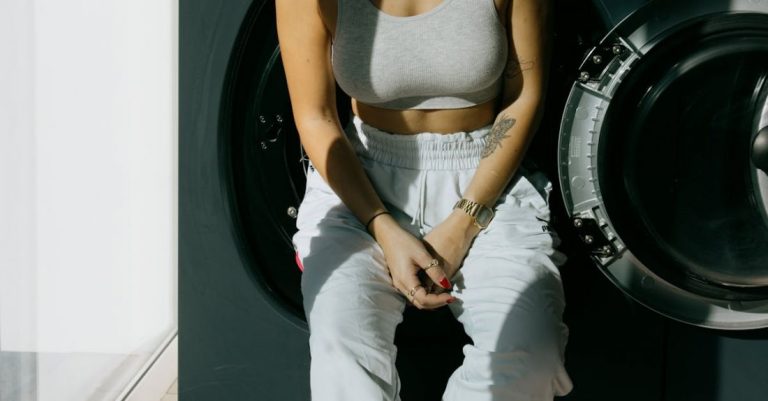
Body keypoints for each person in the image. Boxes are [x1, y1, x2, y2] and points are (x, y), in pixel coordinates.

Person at [276, 0, 573, 399]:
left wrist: (464, 222)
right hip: (360, 182)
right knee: (341, 353)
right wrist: (380, 225)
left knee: (530, 354)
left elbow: (524, 97)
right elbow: (315, 116)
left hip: (483, 178)